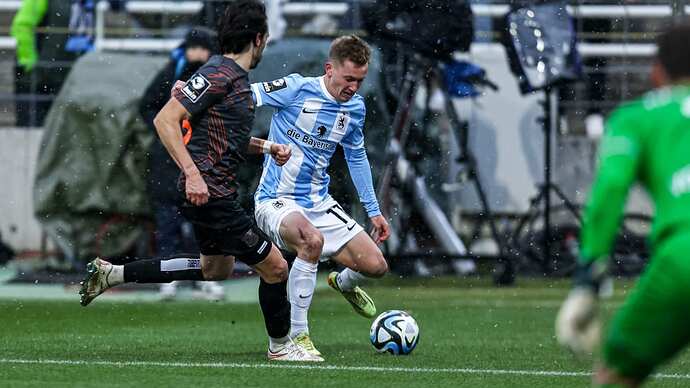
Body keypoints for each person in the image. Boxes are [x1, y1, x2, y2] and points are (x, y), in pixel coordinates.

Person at [79, 0, 321, 362]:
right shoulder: (219, 75)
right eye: (266, 39)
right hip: (211, 193)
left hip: (215, 189)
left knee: (215, 269)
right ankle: (281, 346)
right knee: (276, 267)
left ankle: (112, 273)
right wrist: (192, 174)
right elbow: (165, 120)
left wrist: (268, 147)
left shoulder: (229, 78)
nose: (266, 45)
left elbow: (223, 135)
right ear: (258, 39)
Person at [556, 23, 690, 387]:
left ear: (657, 72)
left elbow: (611, 189)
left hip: (684, 260)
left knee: (617, 375)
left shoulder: (637, 117)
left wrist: (587, 279)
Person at [250, 35, 390, 358]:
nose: (354, 87)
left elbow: (357, 157)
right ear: (330, 69)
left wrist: (374, 210)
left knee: (377, 266)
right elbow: (248, 95)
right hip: (276, 199)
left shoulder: (355, 108)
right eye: (349, 79)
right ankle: (298, 337)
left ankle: (344, 283)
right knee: (310, 242)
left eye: (360, 80)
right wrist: (193, 97)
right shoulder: (297, 89)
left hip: (319, 202)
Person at [139, 26, 224, 301]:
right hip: (168, 161)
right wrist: (170, 132)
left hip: (200, 159)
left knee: (201, 222)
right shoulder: (171, 74)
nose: (198, 54)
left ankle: (204, 277)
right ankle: (169, 277)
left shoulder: (214, 77)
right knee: (168, 221)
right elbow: (148, 108)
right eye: (195, 48)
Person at [11, 0, 77, 127]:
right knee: (31, 130)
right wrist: (29, 64)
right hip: (36, 80)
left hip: (63, 79)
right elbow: (22, 26)